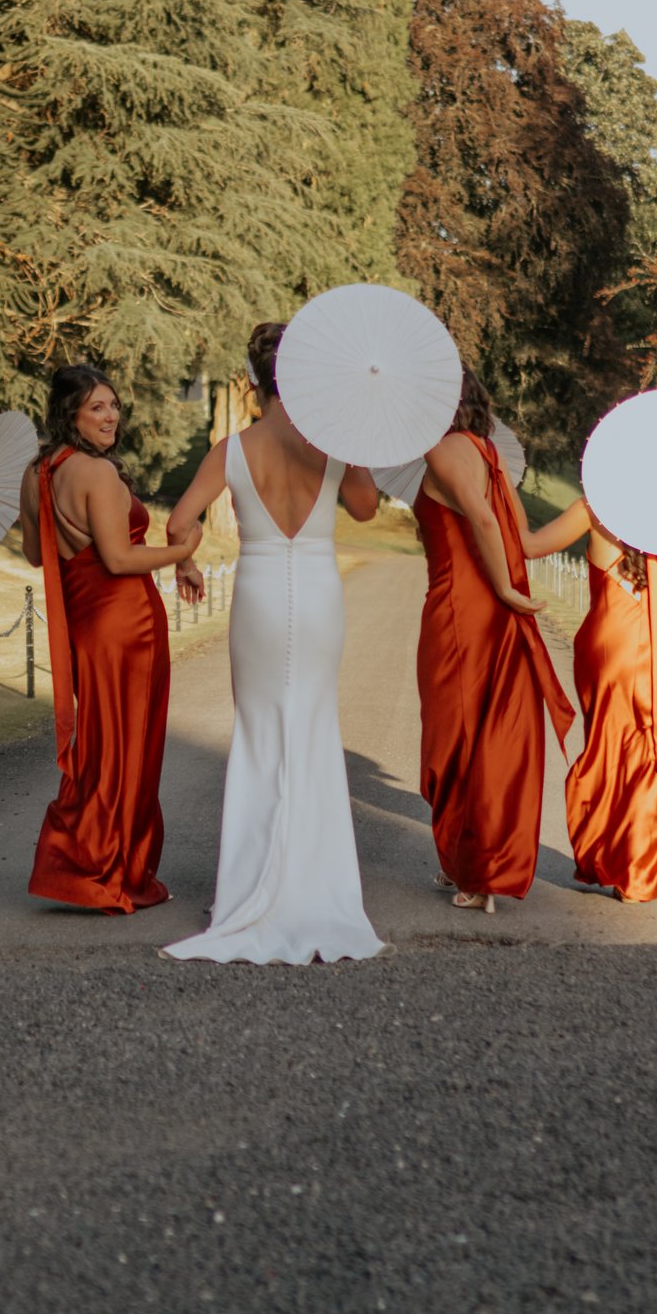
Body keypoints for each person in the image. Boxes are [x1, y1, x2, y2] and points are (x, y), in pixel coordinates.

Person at [161, 320, 384, 965]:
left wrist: (186, 562)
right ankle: (321, 885)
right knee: (312, 725)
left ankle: (245, 889)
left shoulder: (234, 448)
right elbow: (367, 509)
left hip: (259, 594)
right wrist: (354, 444)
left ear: (255, 382)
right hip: (317, 592)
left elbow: (181, 520)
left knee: (259, 731)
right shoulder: (332, 441)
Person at [19, 360, 199, 913]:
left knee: (104, 744)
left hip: (85, 625)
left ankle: (86, 860)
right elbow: (120, 559)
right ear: (70, 412)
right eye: (98, 406)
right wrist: (183, 553)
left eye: (114, 405)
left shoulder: (36, 473)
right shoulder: (97, 474)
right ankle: (113, 868)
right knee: (131, 746)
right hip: (128, 624)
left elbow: (34, 553)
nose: (111, 416)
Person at [413, 372, 572, 910]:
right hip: (492, 612)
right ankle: (472, 860)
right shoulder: (490, 455)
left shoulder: (441, 449)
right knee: (487, 731)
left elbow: (481, 518)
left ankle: (476, 870)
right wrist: (588, 513)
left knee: (452, 734)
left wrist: (503, 586)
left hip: (462, 609)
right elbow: (524, 542)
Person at [524, 496, 657, 903]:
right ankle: (636, 873)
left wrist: (504, 501)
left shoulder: (595, 508)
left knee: (607, 745)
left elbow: (531, 546)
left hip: (610, 644)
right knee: (653, 750)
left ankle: (603, 850)